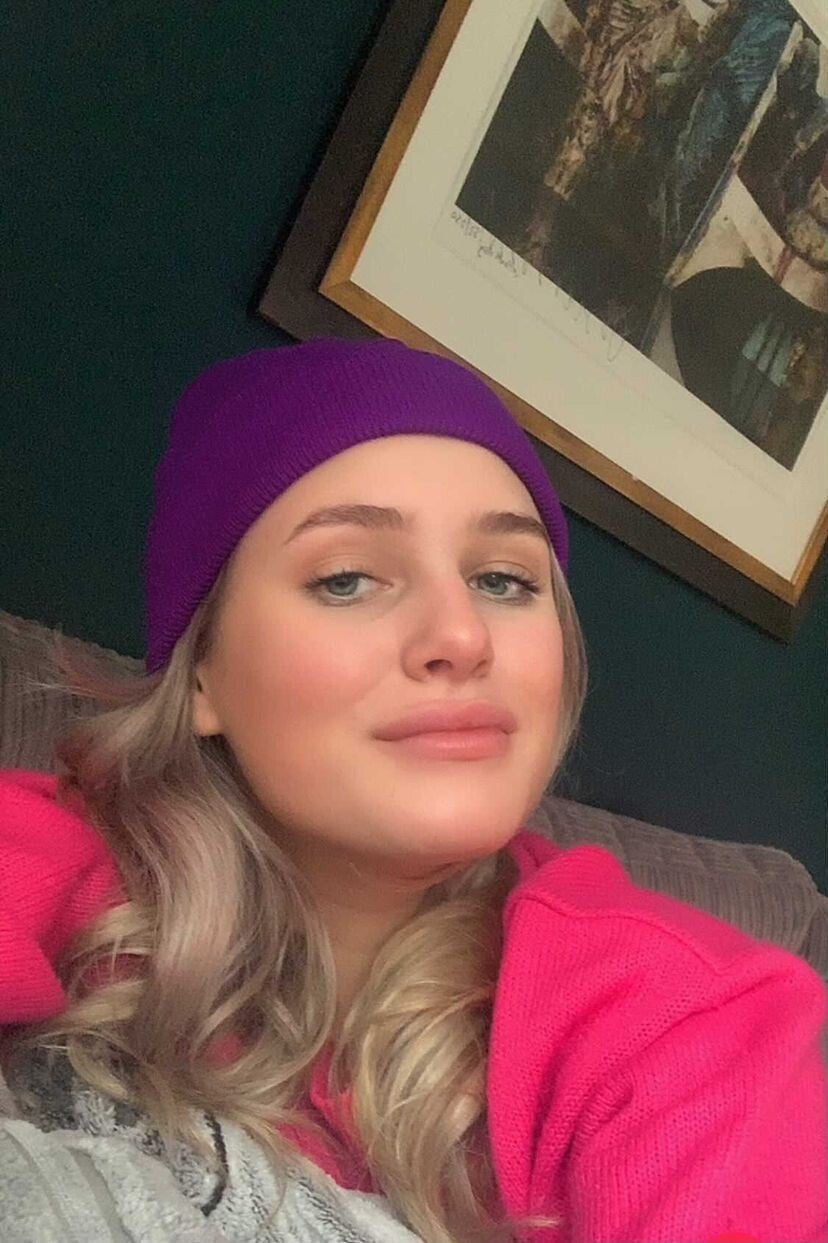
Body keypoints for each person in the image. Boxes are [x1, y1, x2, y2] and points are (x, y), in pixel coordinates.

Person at [0, 336, 825, 1243]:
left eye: (503, 580)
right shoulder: (61, 860)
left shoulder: (681, 1016)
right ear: (203, 676)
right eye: (347, 578)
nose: (462, 635)